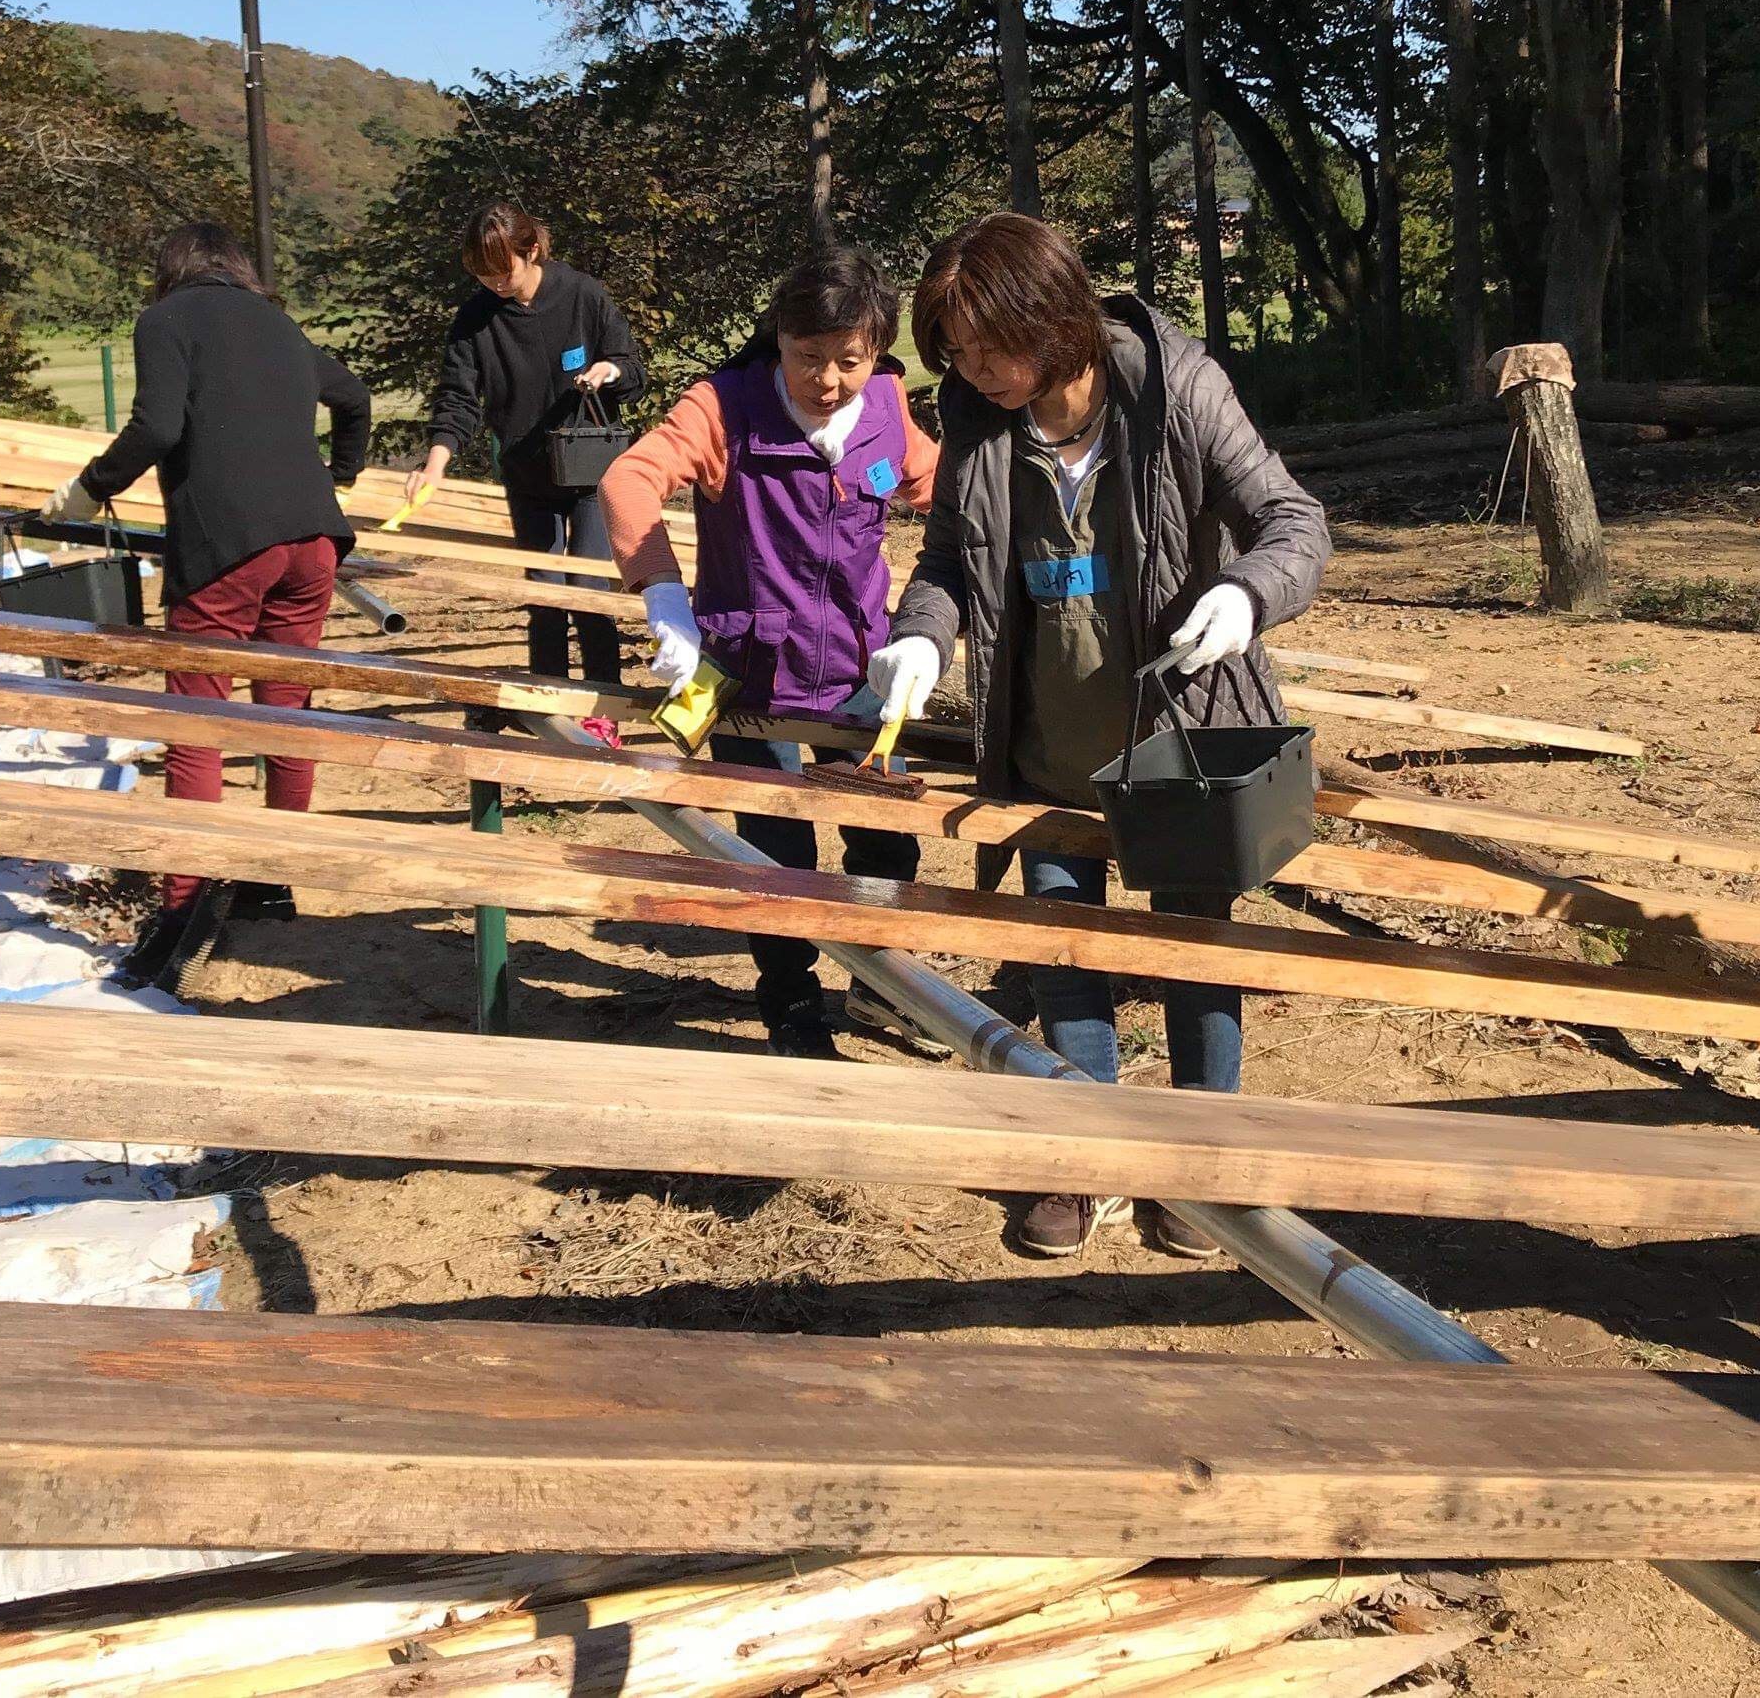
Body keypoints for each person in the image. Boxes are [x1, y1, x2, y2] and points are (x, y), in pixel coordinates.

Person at [868, 213, 1328, 1260]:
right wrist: (921, 641)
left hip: (1180, 741)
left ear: (1055, 317)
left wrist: (1248, 597)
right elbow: (946, 562)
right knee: (1067, 952)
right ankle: (1083, 1159)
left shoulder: (1175, 390)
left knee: (1193, 952)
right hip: (1045, 748)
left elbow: (1295, 523)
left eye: (990, 349)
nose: (974, 373)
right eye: (956, 356)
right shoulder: (984, 423)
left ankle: (1198, 1167)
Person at [600, 247, 940, 1058]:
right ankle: (790, 1005)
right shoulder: (725, 408)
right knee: (773, 855)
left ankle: (880, 990)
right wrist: (663, 597)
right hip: (753, 677)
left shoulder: (888, 405)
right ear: (778, 341)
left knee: (885, 841)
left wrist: (932, 622)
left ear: (879, 350)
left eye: (848, 361)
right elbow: (629, 481)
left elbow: (948, 489)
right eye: (806, 357)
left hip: (861, 672)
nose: (826, 380)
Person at [46, 221, 371, 977]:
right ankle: (272, 880)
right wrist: (341, 477)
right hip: (315, 541)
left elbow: (158, 425)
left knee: (198, 717)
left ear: (172, 271)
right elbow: (353, 398)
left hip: (225, 547)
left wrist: (93, 486)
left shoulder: (165, 321)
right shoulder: (279, 323)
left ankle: (185, 903)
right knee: (286, 711)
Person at [406, 201, 644, 705]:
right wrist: (434, 465)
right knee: (544, 591)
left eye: (502, 271)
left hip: (591, 470)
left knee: (588, 588)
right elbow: (458, 399)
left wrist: (610, 373)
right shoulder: (475, 319)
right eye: (482, 274)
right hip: (527, 472)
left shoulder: (583, 294)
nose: (494, 283)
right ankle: (550, 701)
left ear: (531, 250)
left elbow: (633, 367)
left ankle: (606, 706)